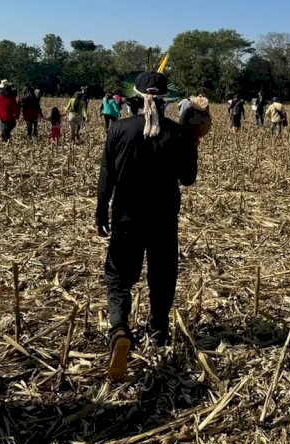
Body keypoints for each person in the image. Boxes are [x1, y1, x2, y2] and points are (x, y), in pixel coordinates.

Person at [95, 71, 198, 381]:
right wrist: (193, 140)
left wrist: (101, 213)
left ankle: (120, 329)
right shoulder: (177, 134)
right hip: (164, 217)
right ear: (165, 100)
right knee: (162, 274)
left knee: (118, 275)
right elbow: (188, 178)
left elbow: (106, 177)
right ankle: (159, 329)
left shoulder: (119, 129)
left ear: (136, 98)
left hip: (126, 216)